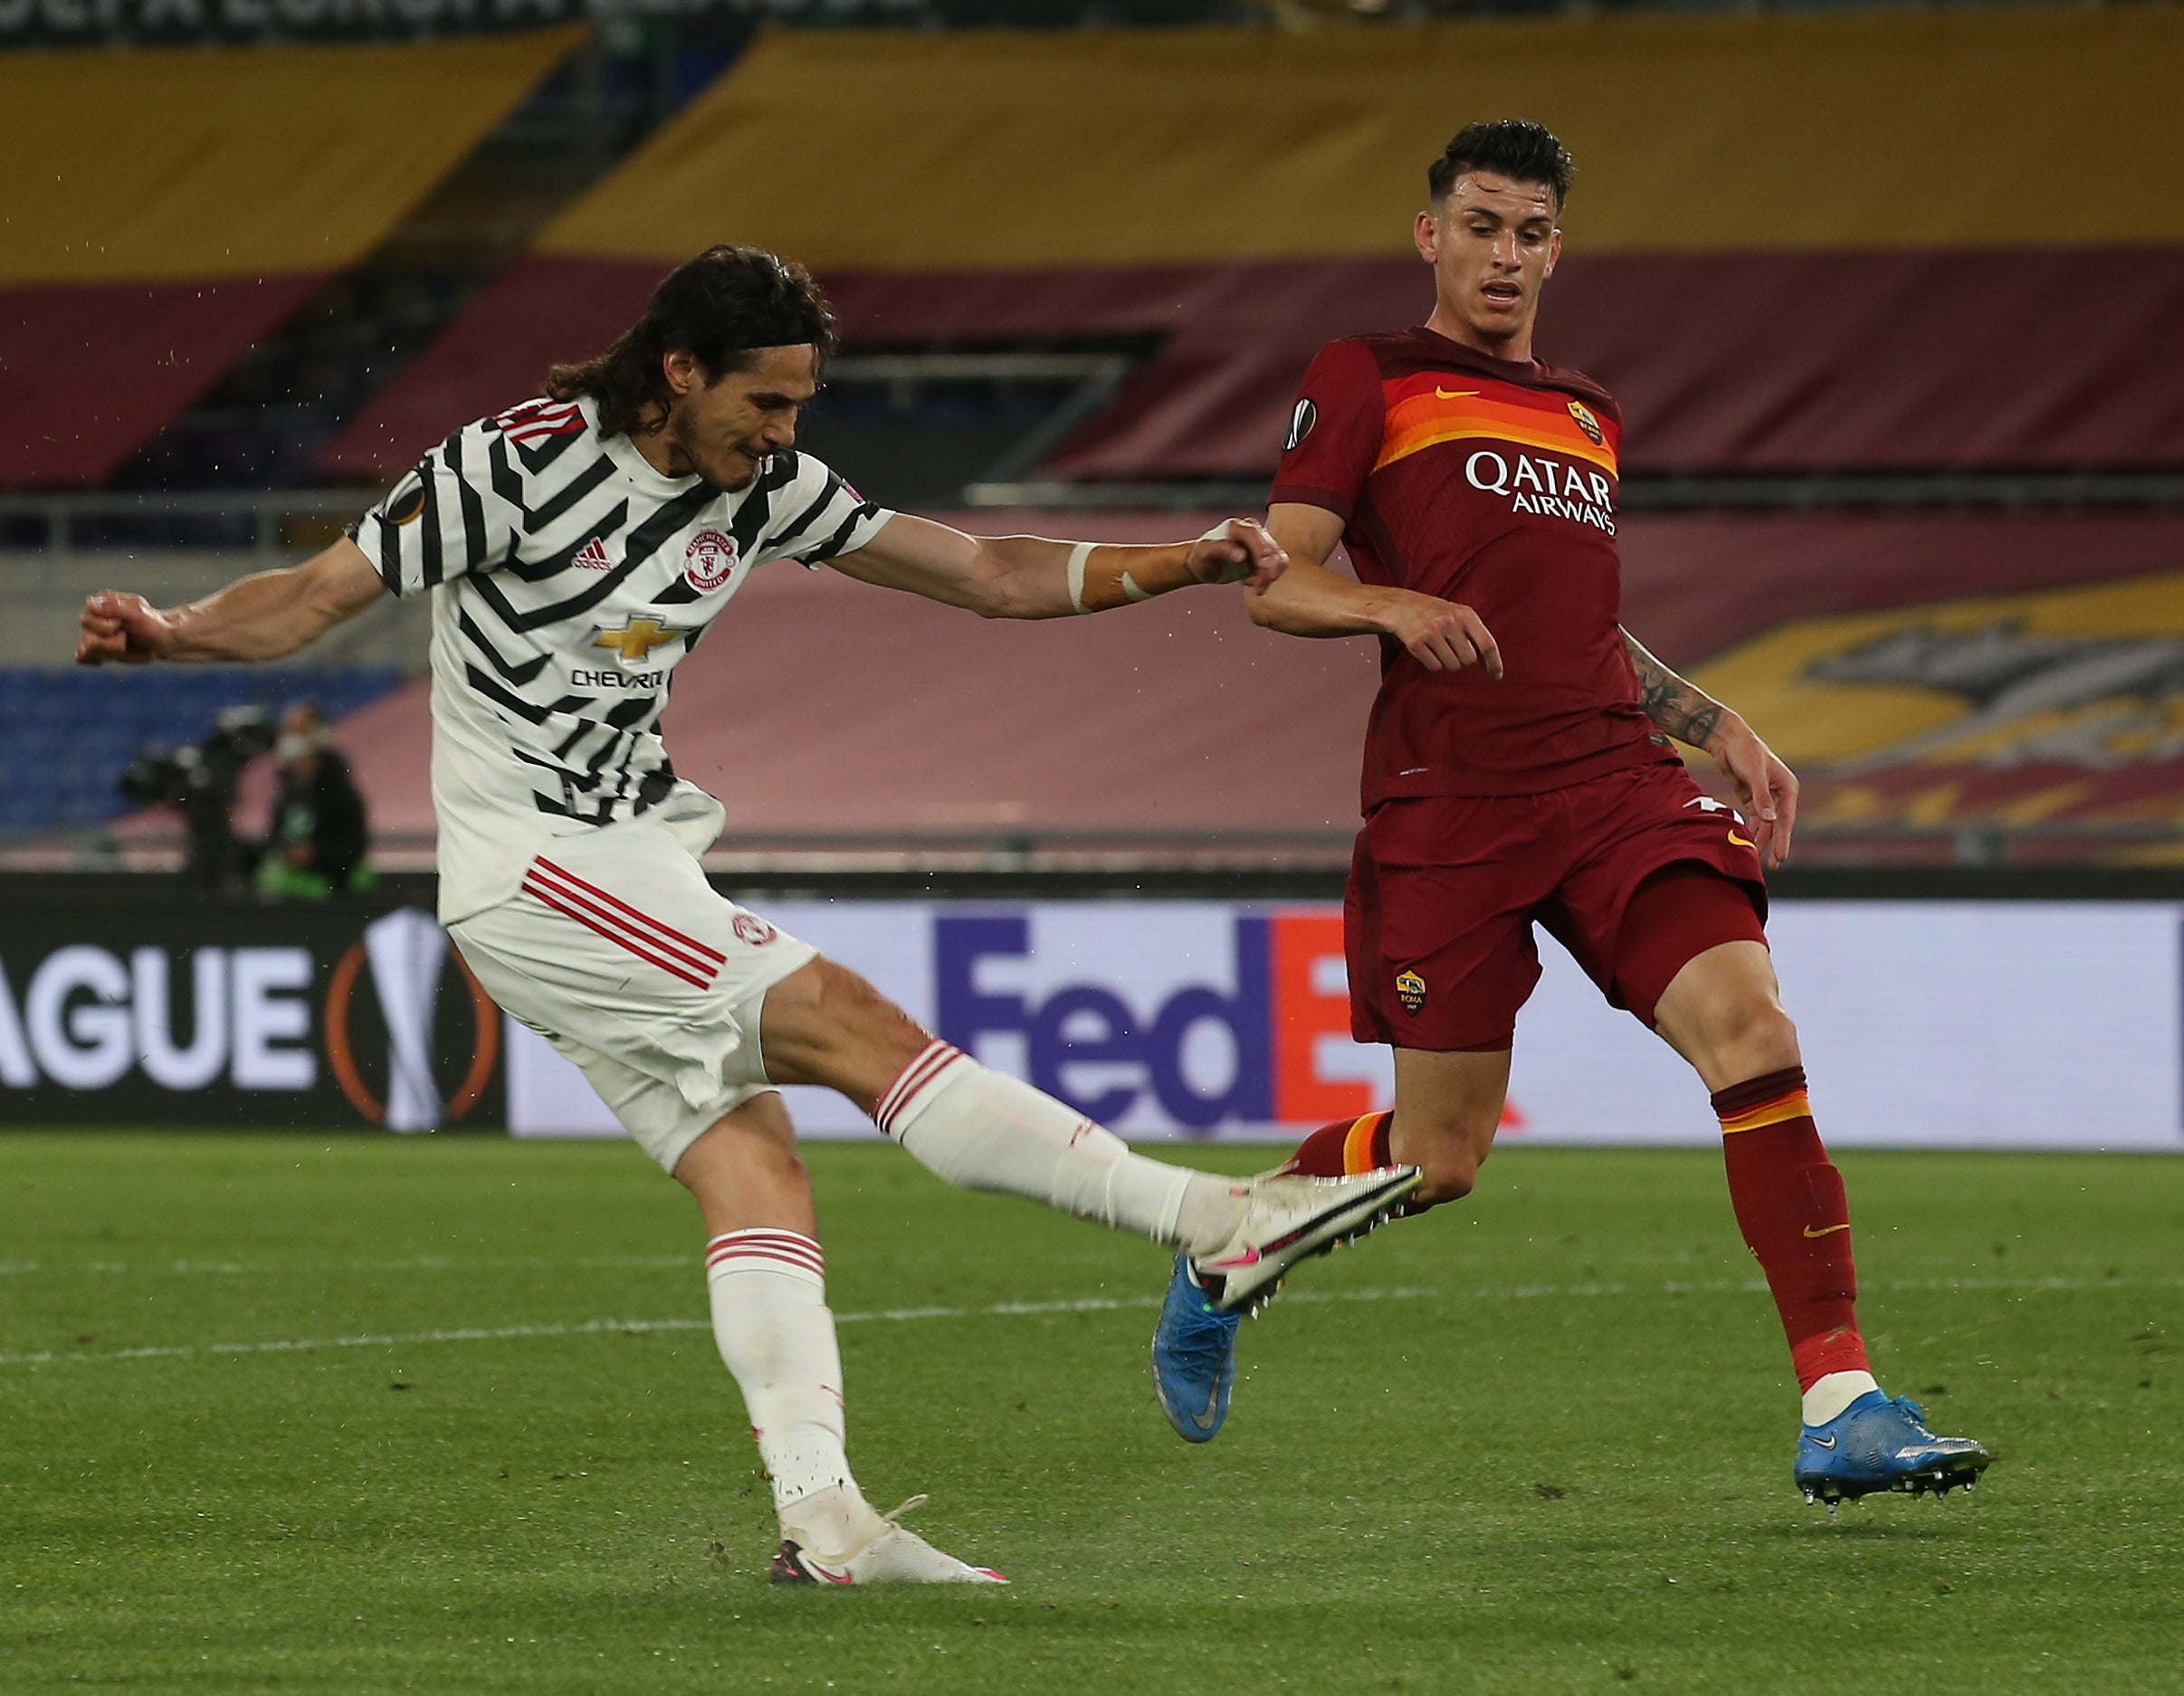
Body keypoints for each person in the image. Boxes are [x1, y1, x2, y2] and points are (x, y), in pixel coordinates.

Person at [75, 244, 1419, 1584]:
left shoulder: (761, 484)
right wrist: (177, 629)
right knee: (848, 1023)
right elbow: (316, 594)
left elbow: (983, 571)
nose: (785, 433)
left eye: (798, 408)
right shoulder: (511, 463)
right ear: (678, 370)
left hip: (629, 856)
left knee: (756, 1166)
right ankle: (1208, 1218)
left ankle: (824, 1519)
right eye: (765, 404)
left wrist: (1180, 562)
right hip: (539, 863)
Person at [1147, 123, 1987, 1506]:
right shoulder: (1371, 375)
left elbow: (1576, 622)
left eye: (1530, 231)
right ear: (1431, 235)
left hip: (1610, 781)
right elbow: (1275, 580)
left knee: (1753, 1030)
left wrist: (1711, 722)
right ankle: (1225, 1240)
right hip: (1451, 802)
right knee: (1439, 1157)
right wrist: (1386, 600)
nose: (1504, 254)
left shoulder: (1586, 408)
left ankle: (1842, 1398)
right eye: (1479, 225)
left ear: (1557, 248)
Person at [254, 700, 373, 900]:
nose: (290, 739)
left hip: (334, 890)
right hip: (291, 887)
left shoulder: (342, 793)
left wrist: (316, 855)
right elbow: (274, 839)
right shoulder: (285, 792)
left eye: (299, 731)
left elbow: (353, 849)